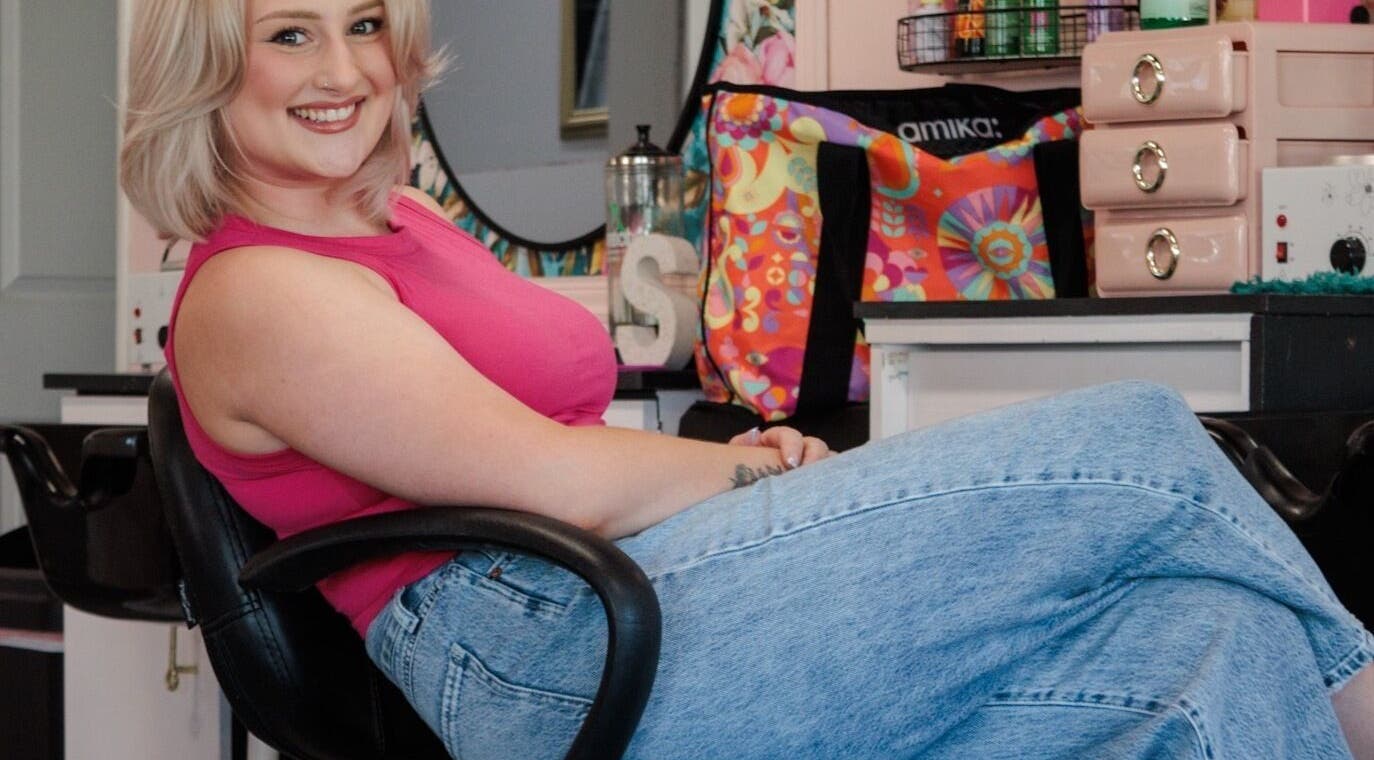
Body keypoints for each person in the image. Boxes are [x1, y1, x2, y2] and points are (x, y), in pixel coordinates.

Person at [119, 0, 1374, 757]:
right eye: (290, 34)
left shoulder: (399, 225)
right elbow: (550, 474)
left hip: (625, 593)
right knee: (1138, 442)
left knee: (1207, 646)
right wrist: (739, 461)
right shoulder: (258, 292)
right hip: (550, 647)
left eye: (364, 27)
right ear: (211, 66)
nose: (344, 70)